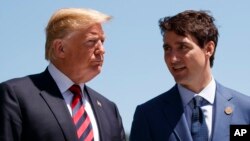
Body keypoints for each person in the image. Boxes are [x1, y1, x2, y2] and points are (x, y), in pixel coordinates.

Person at [0, 8, 125, 141]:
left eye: (102, 41)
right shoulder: (15, 96)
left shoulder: (109, 110)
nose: (102, 50)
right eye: (91, 41)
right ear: (61, 48)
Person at [130, 10, 250, 141]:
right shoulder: (148, 115)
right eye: (167, 48)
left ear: (209, 49)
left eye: (182, 47)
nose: (172, 59)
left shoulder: (246, 110)